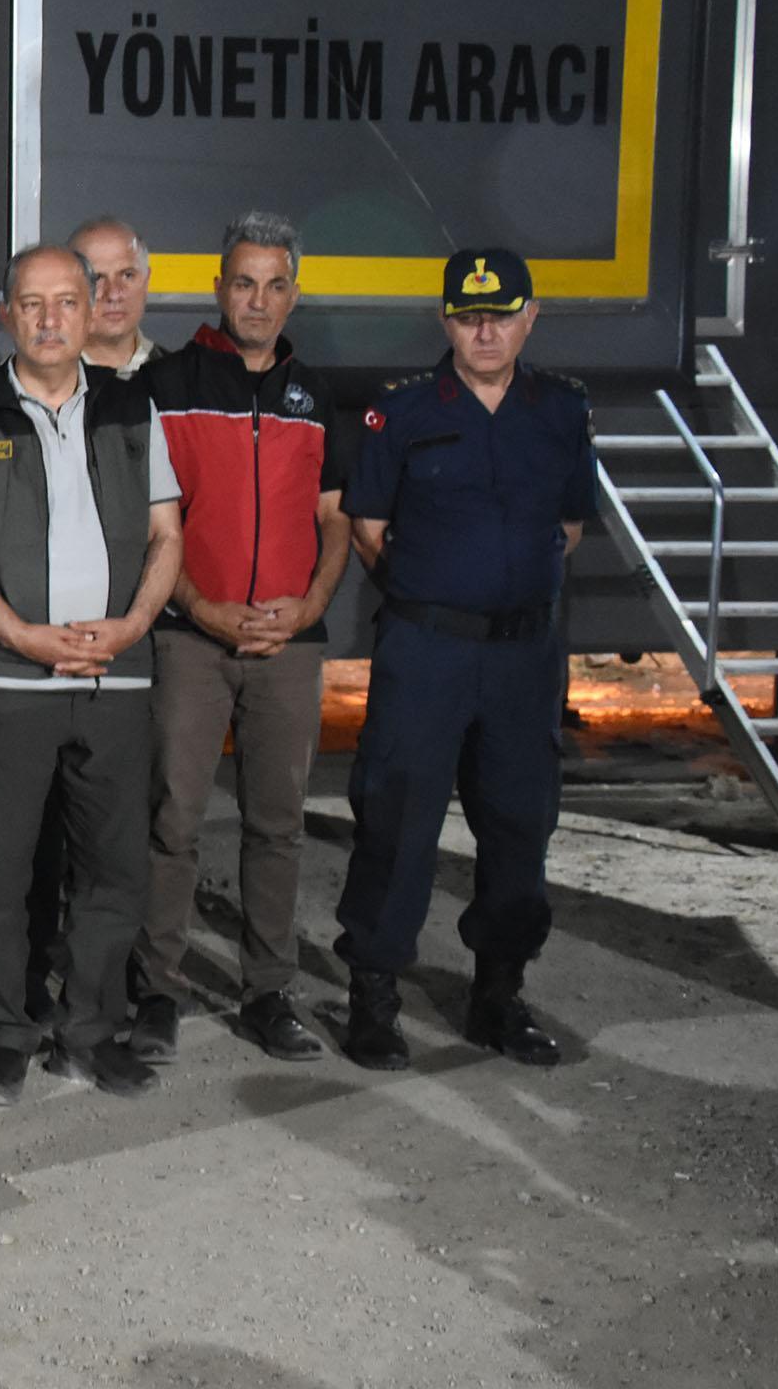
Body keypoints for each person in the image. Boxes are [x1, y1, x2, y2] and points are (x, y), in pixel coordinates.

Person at [0, 243, 183, 1105]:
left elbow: (167, 535)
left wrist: (132, 628)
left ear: (91, 307)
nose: (49, 319)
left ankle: (89, 1033)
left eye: (66, 301)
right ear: (6, 316)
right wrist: (27, 639)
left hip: (116, 677)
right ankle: (4, 1037)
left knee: (115, 869)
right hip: (4, 680)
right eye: (31, 304)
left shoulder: (134, 408)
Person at [335, 248, 593, 1071]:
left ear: (530, 318)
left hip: (523, 657)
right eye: (470, 317)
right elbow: (368, 529)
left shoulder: (560, 411)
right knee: (397, 821)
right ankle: (374, 997)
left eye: (502, 316)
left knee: (521, 824)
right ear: (446, 321)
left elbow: (569, 528)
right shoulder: (402, 412)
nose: (486, 333)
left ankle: (498, 996)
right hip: (427, 651)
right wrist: (439, 594)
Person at [131, 212, 349, 1063]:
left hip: (289, 645)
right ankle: (157, 989)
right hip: (191, 639)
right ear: (218, 287)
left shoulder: (315, 397)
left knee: (278, 826)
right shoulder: (167, 384)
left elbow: (335, 521)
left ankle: (268, 991)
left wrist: (308, 606)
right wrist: (199, 607)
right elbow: (152, 523)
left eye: (275, 285)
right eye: (244, 283)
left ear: (294, 294)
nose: (258, 300)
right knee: (173, 820)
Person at [68, 215, 162, 376]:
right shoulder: (36, 381)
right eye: (96, 278)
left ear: (146, 281)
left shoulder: (185, 379)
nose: (113, 294)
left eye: (127, 275)